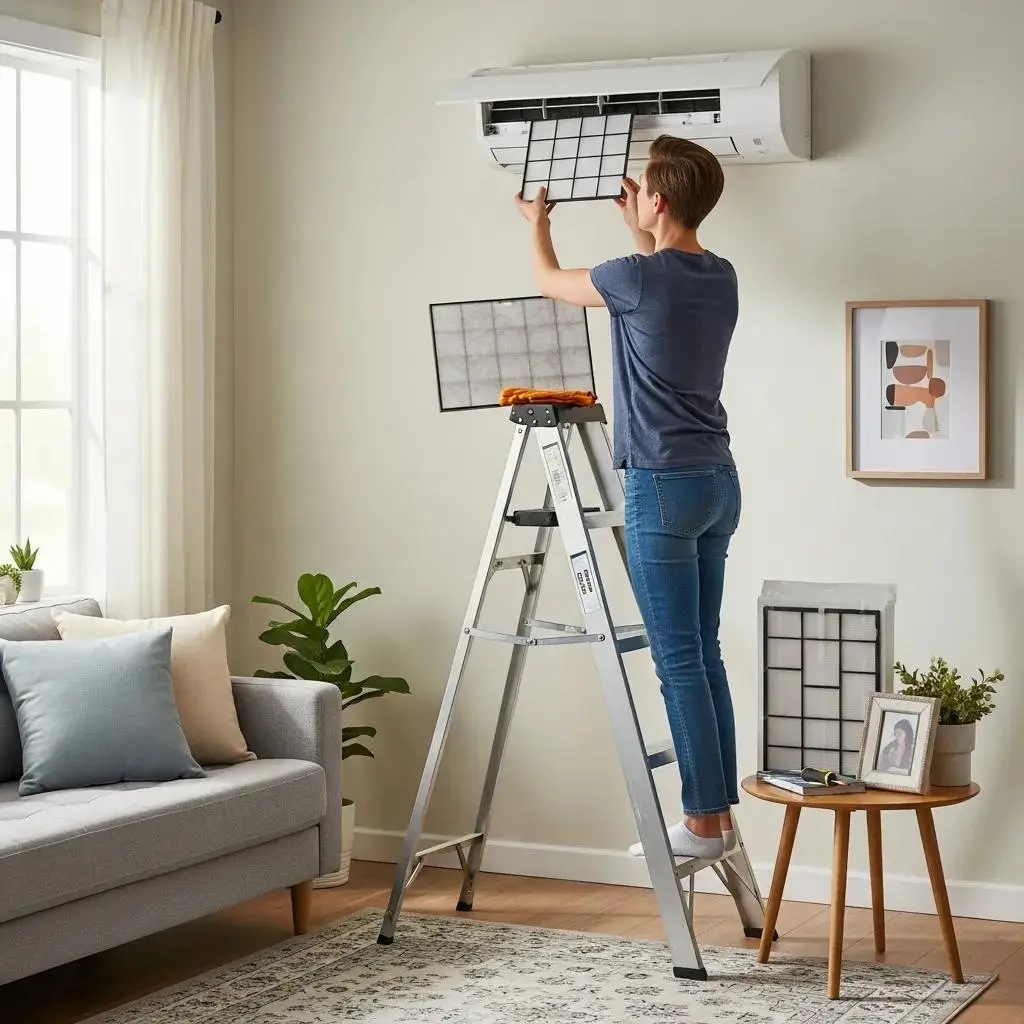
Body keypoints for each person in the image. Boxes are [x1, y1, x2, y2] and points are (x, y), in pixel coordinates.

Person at [514, 135, 740, 860]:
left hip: (660, 485)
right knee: (703, 657)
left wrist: (536, 224)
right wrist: (639, 227)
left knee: (677, 662)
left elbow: (552, 281)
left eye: (643, 188)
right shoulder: (722, 274)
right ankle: (718, 817)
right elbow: (662, 271)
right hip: (716, 482)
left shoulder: (632, 277)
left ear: (660, 199)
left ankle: (703, 825)